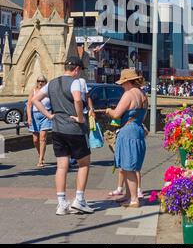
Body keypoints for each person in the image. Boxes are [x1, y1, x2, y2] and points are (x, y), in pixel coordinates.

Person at [32, 56, 94, 216]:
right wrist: (80, 118)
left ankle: (62, 203)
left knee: (61, 166)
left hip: (57, 128)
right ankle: (79, 200)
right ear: (77, 69)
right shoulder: (77, 82)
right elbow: (78, 100)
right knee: (84, 163)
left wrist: (48, 115)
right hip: (75, 129)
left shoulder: (51, 83)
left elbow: (35, 100)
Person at [105, 68, 148, 208]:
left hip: (127, 132)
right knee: (131, 165)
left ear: (128, 82)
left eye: (123, 83)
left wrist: (108, 111)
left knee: (128, 167)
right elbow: (144, 117)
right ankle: (129, 195)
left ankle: (134, 199)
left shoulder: (129, 94)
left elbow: (117, 114)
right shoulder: (143, 94)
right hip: (138, 130)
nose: (122, 86)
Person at [26, 75, 52, 167]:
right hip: (34, 116)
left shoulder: (48, 92)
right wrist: (29, 117)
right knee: (35, 140)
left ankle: (40, 159)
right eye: (38, 81)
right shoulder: (33, 91)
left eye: (42, 81)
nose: (40, 83)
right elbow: (29, 105)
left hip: (46, 115)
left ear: (45, 82)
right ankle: (40, 154)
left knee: (42, 137)